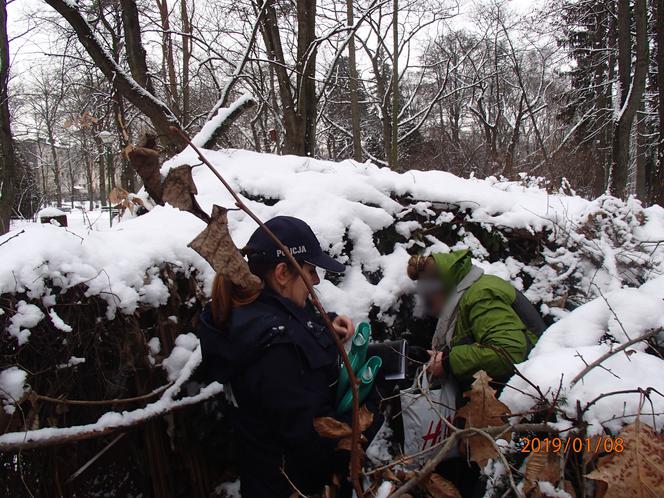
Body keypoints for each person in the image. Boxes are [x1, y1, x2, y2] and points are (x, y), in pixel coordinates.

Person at [195, 216, 369, 498]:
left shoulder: (247, 320)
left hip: (264, 481)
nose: (315, 280)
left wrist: (325, 325)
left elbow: (288, 325)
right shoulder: (277, 349)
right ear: (282, 273)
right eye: (310, 270)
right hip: (297, 488)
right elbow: (316, 449)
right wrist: (368, 406)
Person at [407, 249, 545, 390]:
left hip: (526, 393)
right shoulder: (466, 297)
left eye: (428, 298)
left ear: (442, 288)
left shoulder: (481, 295)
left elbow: (509, 352)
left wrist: (447, 362)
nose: (428, 306)